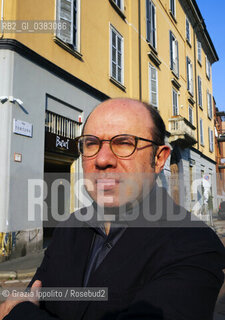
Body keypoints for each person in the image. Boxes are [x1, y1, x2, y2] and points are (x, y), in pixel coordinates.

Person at [1, 98, 225, 320]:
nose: (102, 159)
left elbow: (23, 306)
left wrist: (19, 313)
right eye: (91, 143)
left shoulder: (196, 245)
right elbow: (36, 294)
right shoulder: (69, 226)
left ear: (159, 159)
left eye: (124, 143)